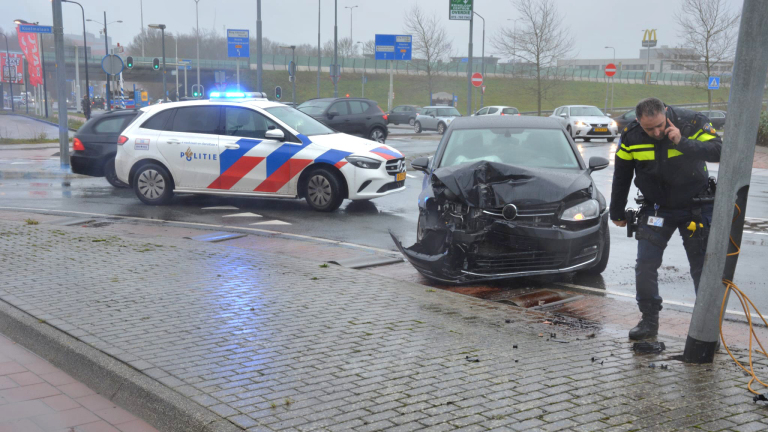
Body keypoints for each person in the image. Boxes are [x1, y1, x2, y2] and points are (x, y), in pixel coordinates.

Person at [610, 97, 722, 340]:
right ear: (639, 122)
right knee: (645, 265)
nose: (656, 132)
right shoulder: (632, 135)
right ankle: (649, 321)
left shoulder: (692, 123)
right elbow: (622, 175)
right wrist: (617, 211)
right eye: (649, 128)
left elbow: (719, 150)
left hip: (695, 207)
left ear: (666, 114)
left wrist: (682, 141)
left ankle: (706, 328)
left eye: (660, 125)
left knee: (701, 268)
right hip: (657, 210)